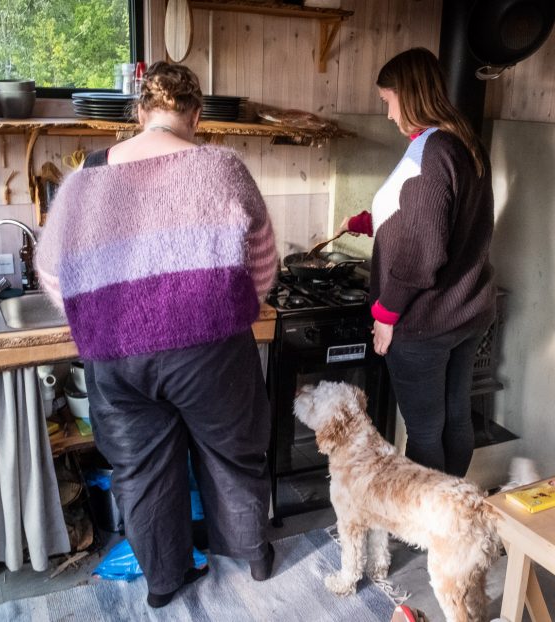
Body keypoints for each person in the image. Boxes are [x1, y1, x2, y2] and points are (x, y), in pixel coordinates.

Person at [36, 61, 278, 608]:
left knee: (141, 470)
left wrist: (100, 312)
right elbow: (262, 259)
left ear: (141, 111)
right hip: (212, 348)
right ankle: (254, 557)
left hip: (117, 354)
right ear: (194, 115)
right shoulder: (223, 166)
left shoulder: (84, 180)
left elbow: (53, 273)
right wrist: (239, 304)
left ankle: (165, 584)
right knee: (234, 453)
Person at [338, 47, 496, 477]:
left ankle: (428, 527)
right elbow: (439, 219)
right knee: (455, 418)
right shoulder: (462, 141)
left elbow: (423, 252)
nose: (388, 114)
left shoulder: (431, 151)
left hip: (425, 320)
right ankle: (450, 516)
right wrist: (373, 222)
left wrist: (387, 313)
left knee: (425, 431)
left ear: (408, 96)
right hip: (466, 311)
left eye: (387, 101)